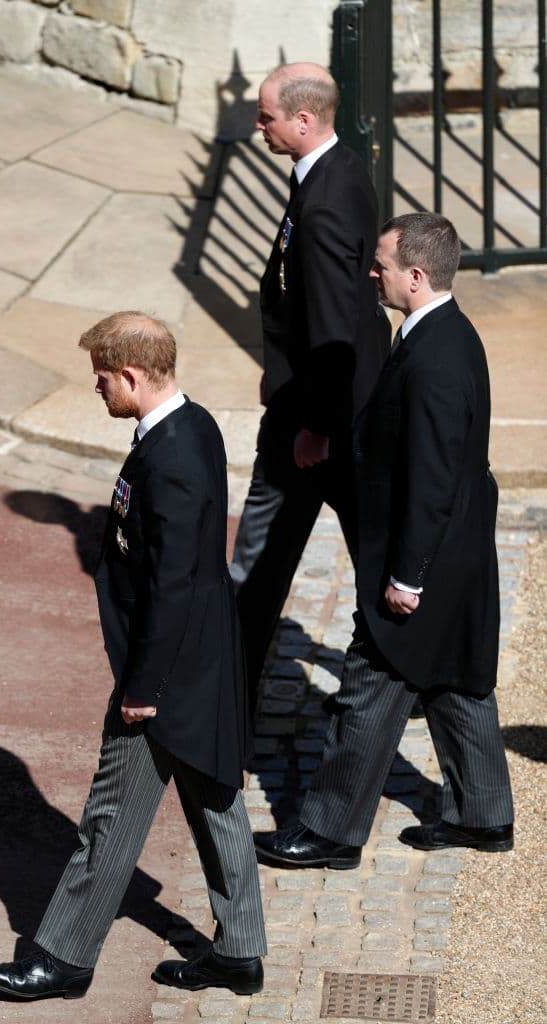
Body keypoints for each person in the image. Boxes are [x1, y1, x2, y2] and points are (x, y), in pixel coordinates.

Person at [0, 312, 267, 1000]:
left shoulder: (168, 457)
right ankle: (239, 950)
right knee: (214, 799)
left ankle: (62, 957)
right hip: (200, 664)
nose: (97, 389)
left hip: (162, 673)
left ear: (131, 375)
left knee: (108, 817)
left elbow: (168, 583)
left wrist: (142, 686)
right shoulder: (189, 426)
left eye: (102, 378)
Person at [254, 213, 514, 869]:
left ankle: (329, 832)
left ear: (416, 276)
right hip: (453, 551)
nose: (372, 273)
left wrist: (406, 578)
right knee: (454, 682)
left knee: (368, 686)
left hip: (423, 557)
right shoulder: (441, 335)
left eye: (382, 265)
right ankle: (483, 816)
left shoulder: (434, 362)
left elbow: (428, 479)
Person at [229, 62, 390, 711]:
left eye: (265, 116)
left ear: (301, 120)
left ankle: (224, 700)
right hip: (331, 410)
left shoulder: (320, 206)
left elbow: (329, 333)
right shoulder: (340, 168)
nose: (256, 126)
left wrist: (314, 429)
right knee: (361, 557)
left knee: (258, 559)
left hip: (317, 417)